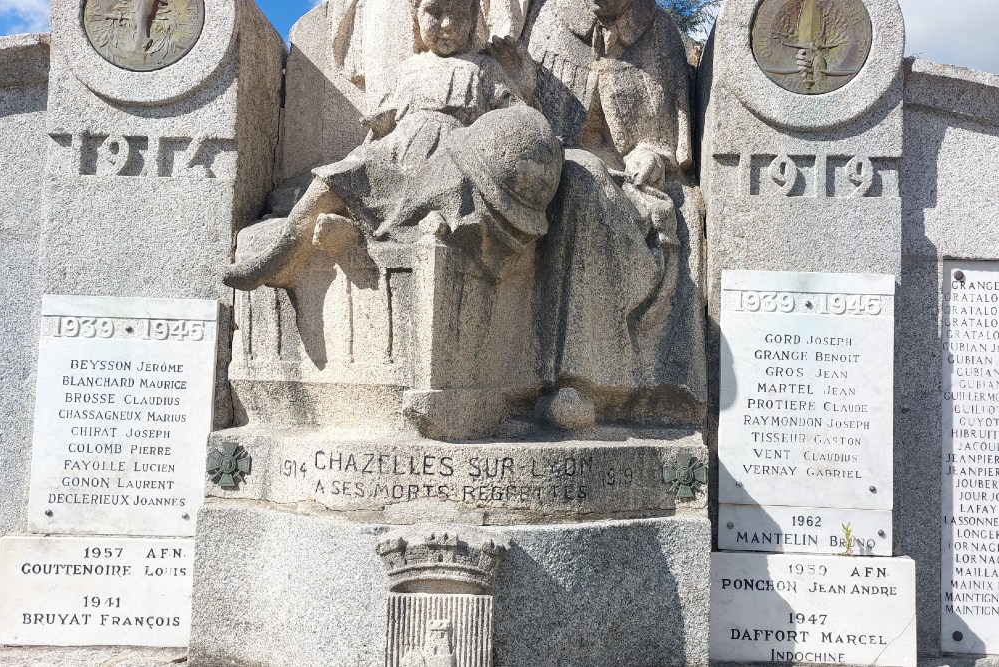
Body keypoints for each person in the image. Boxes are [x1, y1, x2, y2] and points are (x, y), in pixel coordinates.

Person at [223, 0, 537, 290]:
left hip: (451, 159)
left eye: (458, 14)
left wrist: (522, 83)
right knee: (330, 180)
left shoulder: (483, 69)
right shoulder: (408, 70)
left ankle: (360, 233)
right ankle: (279, 256)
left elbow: (514, 119)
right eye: (435, 12)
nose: (446, 24)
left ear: (473, 18)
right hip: (398, 153)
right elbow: (382, 130)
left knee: (446, 200)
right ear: (416, 14)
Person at [523, 0, 703, 415]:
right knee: (581, 181)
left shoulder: (659, 33)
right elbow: (526, 119)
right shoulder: (550, 21)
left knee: (677, 212)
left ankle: (614, 384)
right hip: (555, 177)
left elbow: (670, 142)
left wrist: (655, 155)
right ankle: (580, 380)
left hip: (636, 184)